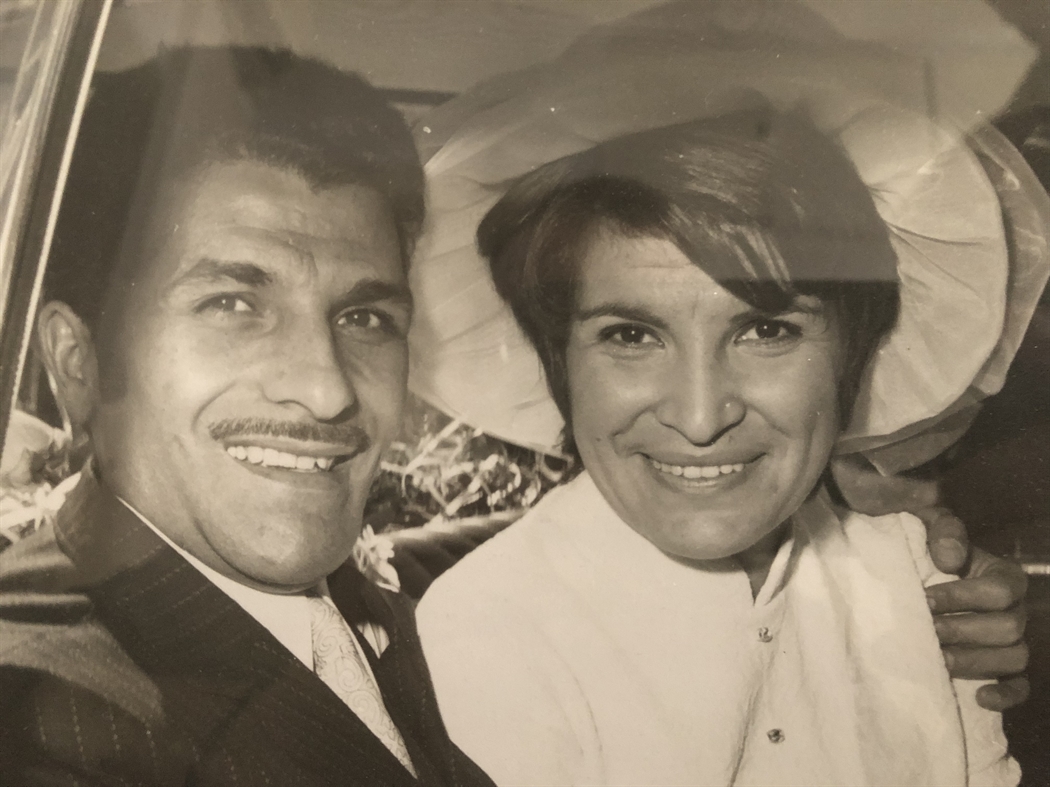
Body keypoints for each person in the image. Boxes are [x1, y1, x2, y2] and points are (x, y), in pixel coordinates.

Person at [409, 7, 1047, 783]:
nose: (701, 415)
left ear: (855, 352)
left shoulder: (914, 575)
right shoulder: (489, 629)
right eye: (630, 335)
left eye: (766, 330)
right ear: (559, 361)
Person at [0, 46, 494, 787]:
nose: (326, 389)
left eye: (363, 317)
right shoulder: (38, 712)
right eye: (231, 304)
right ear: (78, 362)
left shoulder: (386, 621)